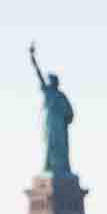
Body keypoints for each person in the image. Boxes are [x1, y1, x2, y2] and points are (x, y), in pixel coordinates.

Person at [29, 41, 74, 176]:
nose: (49, 81)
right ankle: (50, 168)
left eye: (52, 80)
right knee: (50, 147)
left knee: (61, 148)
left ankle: (62, 169)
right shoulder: (48, 91)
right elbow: (38, 74)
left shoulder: (61, 96)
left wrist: (65, 119)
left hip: (59, 126)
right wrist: (32, 58)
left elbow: (70, 113)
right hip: (50, 125)